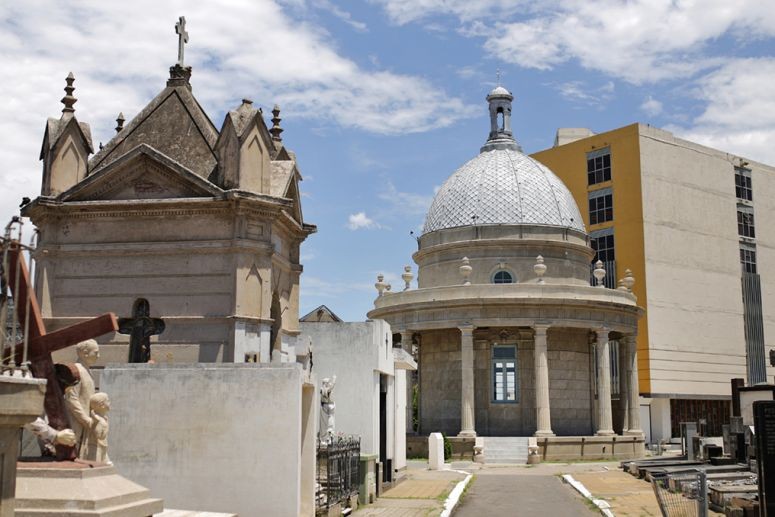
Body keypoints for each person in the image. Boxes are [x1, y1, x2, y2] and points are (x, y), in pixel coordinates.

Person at [62, 339, 99, 456]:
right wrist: (84, 419)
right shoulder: (75, 370)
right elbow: (71, 399)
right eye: (96, 352)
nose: (98, 356)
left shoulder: (87, 370)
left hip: (86, 423)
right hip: (76, 422)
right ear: (85, 353)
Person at [83, 392, 111, 465]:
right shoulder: (97, 420)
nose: (110, 402)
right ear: (101, 405)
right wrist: (97, 422)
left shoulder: (104, 418)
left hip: (103, 446)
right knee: (96, 464)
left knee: (106, 463)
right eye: (108, 401)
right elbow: (98, 435)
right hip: (96, 448)